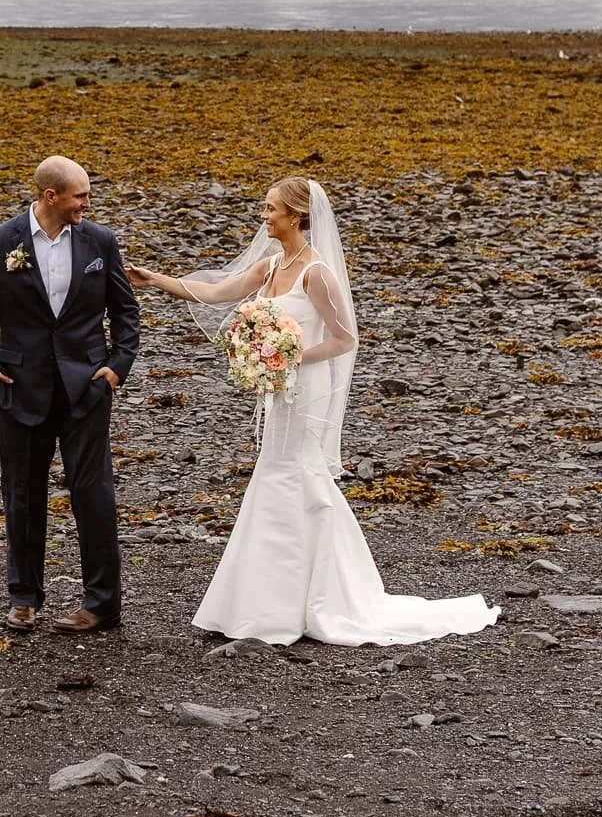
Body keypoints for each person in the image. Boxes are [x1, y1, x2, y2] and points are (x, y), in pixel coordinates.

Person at [127, 177, 498, 645]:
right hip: (279, 388)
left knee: (296, 474)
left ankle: (313, 598)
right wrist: (157, 281)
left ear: (296, 217)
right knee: (277, 473)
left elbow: (346, 339)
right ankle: (266, 602)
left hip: (304, 389)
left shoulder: (316, 272)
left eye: (270, 209)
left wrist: (289, 356)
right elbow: (219, 292)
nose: (264, 216)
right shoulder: (270, 266)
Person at [0, 156, 141, 633]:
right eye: (80, 196)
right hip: (19, 390)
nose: (87, 204)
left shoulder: (100, 241)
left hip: (87, 389)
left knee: (93, 495)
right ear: (50, 196)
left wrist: (116, 367)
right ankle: (24, 597)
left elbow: (126, 312)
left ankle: (102, 604)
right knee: (23, 496)